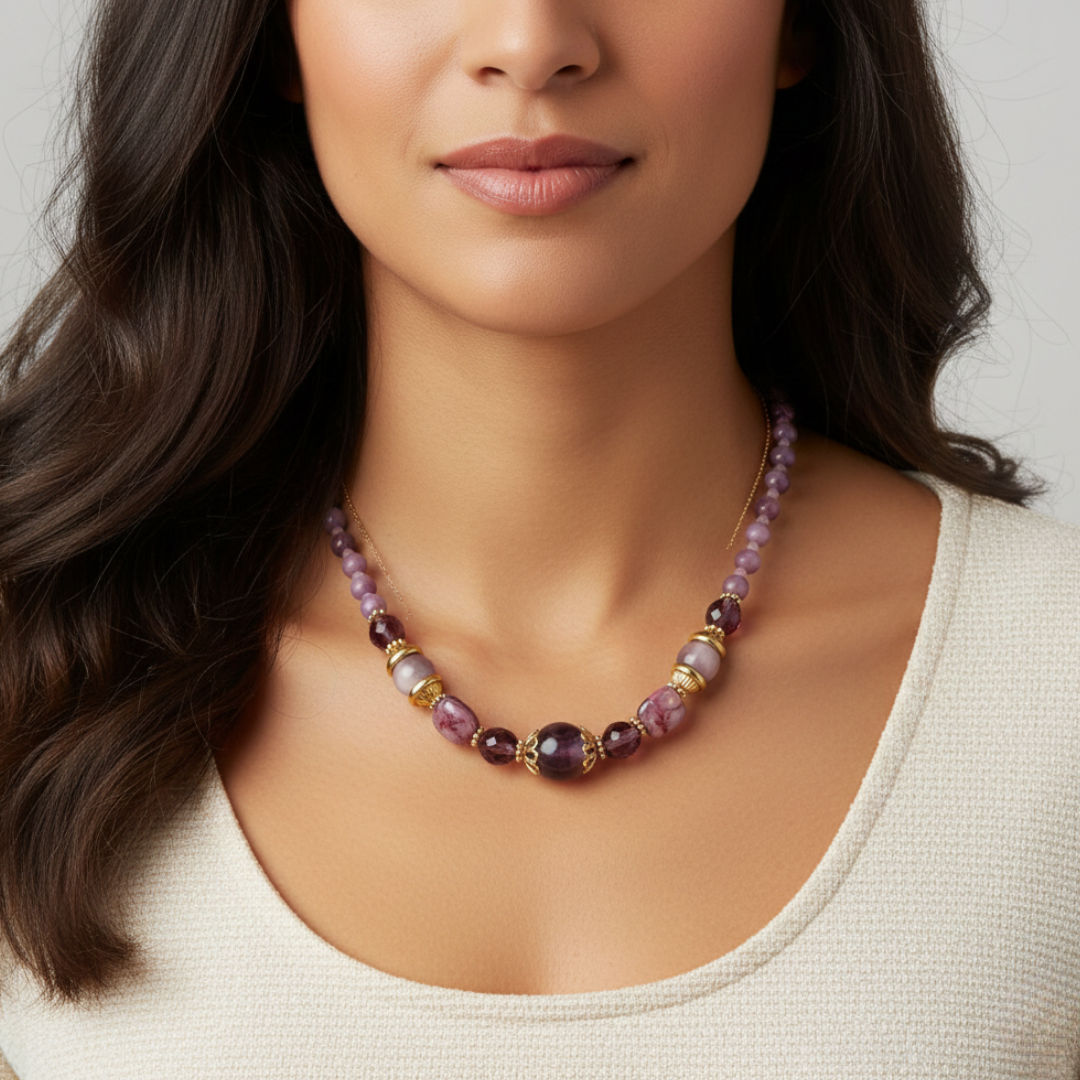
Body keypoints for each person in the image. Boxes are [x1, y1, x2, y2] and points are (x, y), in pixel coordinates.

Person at [0, 0, 1077, 1074]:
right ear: (275, 34)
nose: (529, 39)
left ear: (801, 27)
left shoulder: (1052, 688)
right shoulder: (32, 674)